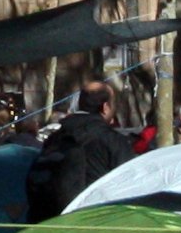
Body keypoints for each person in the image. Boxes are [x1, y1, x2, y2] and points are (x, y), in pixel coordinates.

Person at [24, 81, 137, 222]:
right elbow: (130, 185)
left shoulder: (55, 138)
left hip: (49, 221)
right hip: (96, 224)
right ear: (105, 107)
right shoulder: (113, 141)